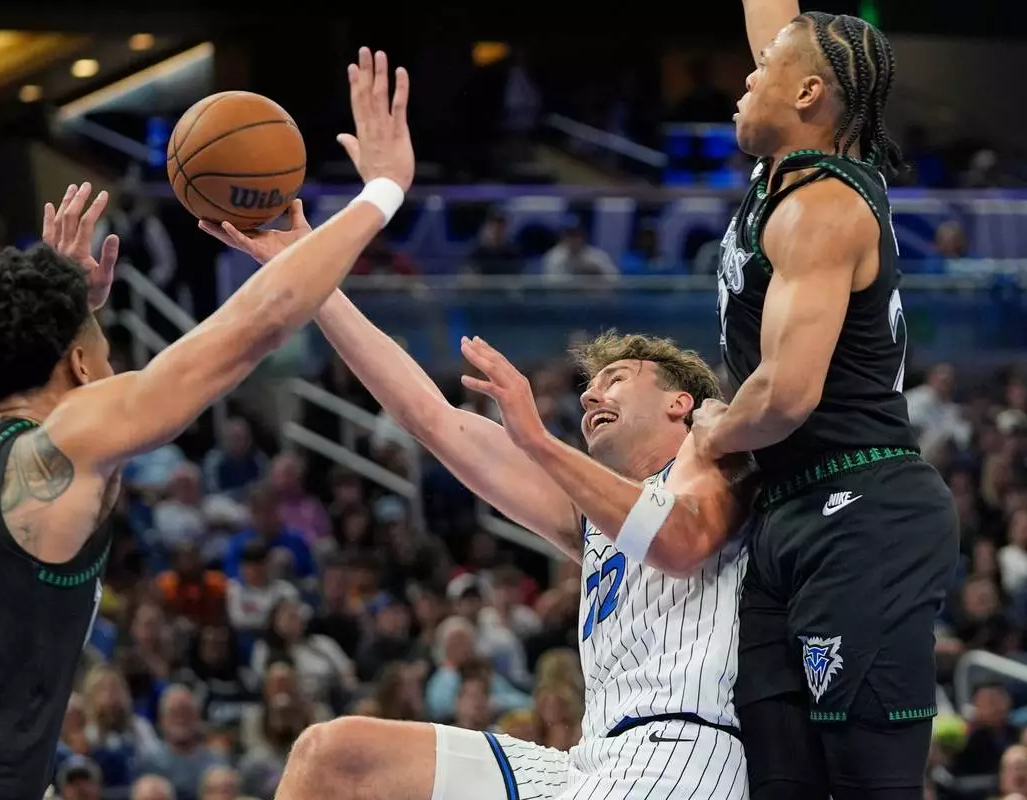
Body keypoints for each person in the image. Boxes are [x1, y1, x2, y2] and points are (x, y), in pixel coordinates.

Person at [0, 45, 414, 800]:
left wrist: (61, 295)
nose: (114, 373)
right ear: (77, 366)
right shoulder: (59, 444)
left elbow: (2, 377)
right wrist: (382, 192)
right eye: (105, 353)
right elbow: (255, 325)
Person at [203, 226, 758, 797]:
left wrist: (538, 440)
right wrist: (312, 273)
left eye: (615, 380)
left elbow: (681, 542)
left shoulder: (718, 458)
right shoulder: (589, 515)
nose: (590, 395)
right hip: (592, 760)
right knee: (332, 755)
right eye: (590, 387)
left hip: (683, 755)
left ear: (680, 403)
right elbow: (430, 416)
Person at [692, 3, 960, 798]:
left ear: (808, 94)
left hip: (864, 510)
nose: (747, 77)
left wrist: (712, 432)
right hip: (789, 511)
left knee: (868, 787)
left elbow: (784, 395)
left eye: (764, 69)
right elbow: (783, 36)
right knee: (779, 781)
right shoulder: (788, 167)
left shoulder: (822, 206)